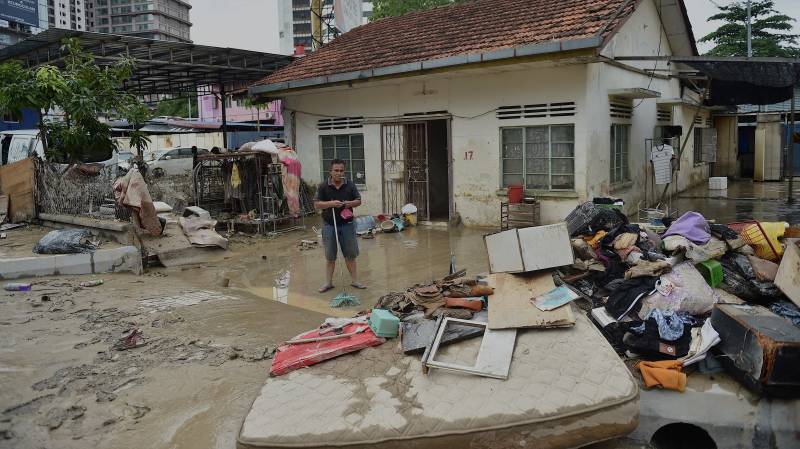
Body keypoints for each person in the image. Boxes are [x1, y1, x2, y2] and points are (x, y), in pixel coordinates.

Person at [314, 158, 366, 293]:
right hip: (329, 224)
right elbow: (317, 204)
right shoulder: (323, 186)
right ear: (330, 171)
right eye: (336, 170)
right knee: (330, 255)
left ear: (344, 171)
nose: (339, 173)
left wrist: (349, 203)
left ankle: (355, 281)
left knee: (350, 255)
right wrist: (331, 204)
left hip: (347, 224)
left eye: (341, 170)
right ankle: (328, 283)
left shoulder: (350, 185)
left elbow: (358, 200)